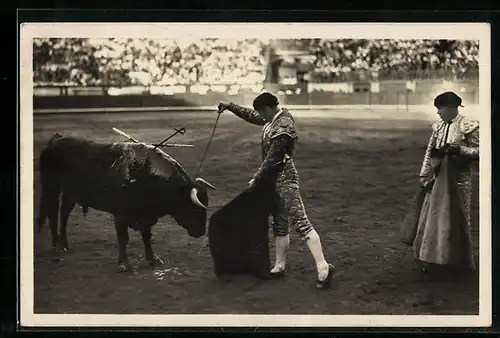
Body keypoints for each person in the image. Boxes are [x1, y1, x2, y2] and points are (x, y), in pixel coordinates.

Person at [217, 92, 335, 290]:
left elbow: (274, 157)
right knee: (280, 223)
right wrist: (229, 106)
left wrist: (257, 177)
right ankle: (279, 266)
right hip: (273, 181)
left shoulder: (284, 125)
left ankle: (324, 268)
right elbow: (251, 116)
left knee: (301, 222)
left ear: (268, 108)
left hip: (284, 179)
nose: (260, 116)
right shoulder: (274, 118)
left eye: (262, 112)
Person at [413, 91, 479, 273]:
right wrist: (424, 176)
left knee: (458, 219)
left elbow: (481, 152)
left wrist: (461, 150)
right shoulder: (438, 127)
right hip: (437, 177)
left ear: (451, 108)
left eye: (440, 109)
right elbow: (429, 152)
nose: (438, 113)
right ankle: (433, 259)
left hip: (459, 180)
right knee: (434, 218)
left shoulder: (469, 125)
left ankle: (458, 262)